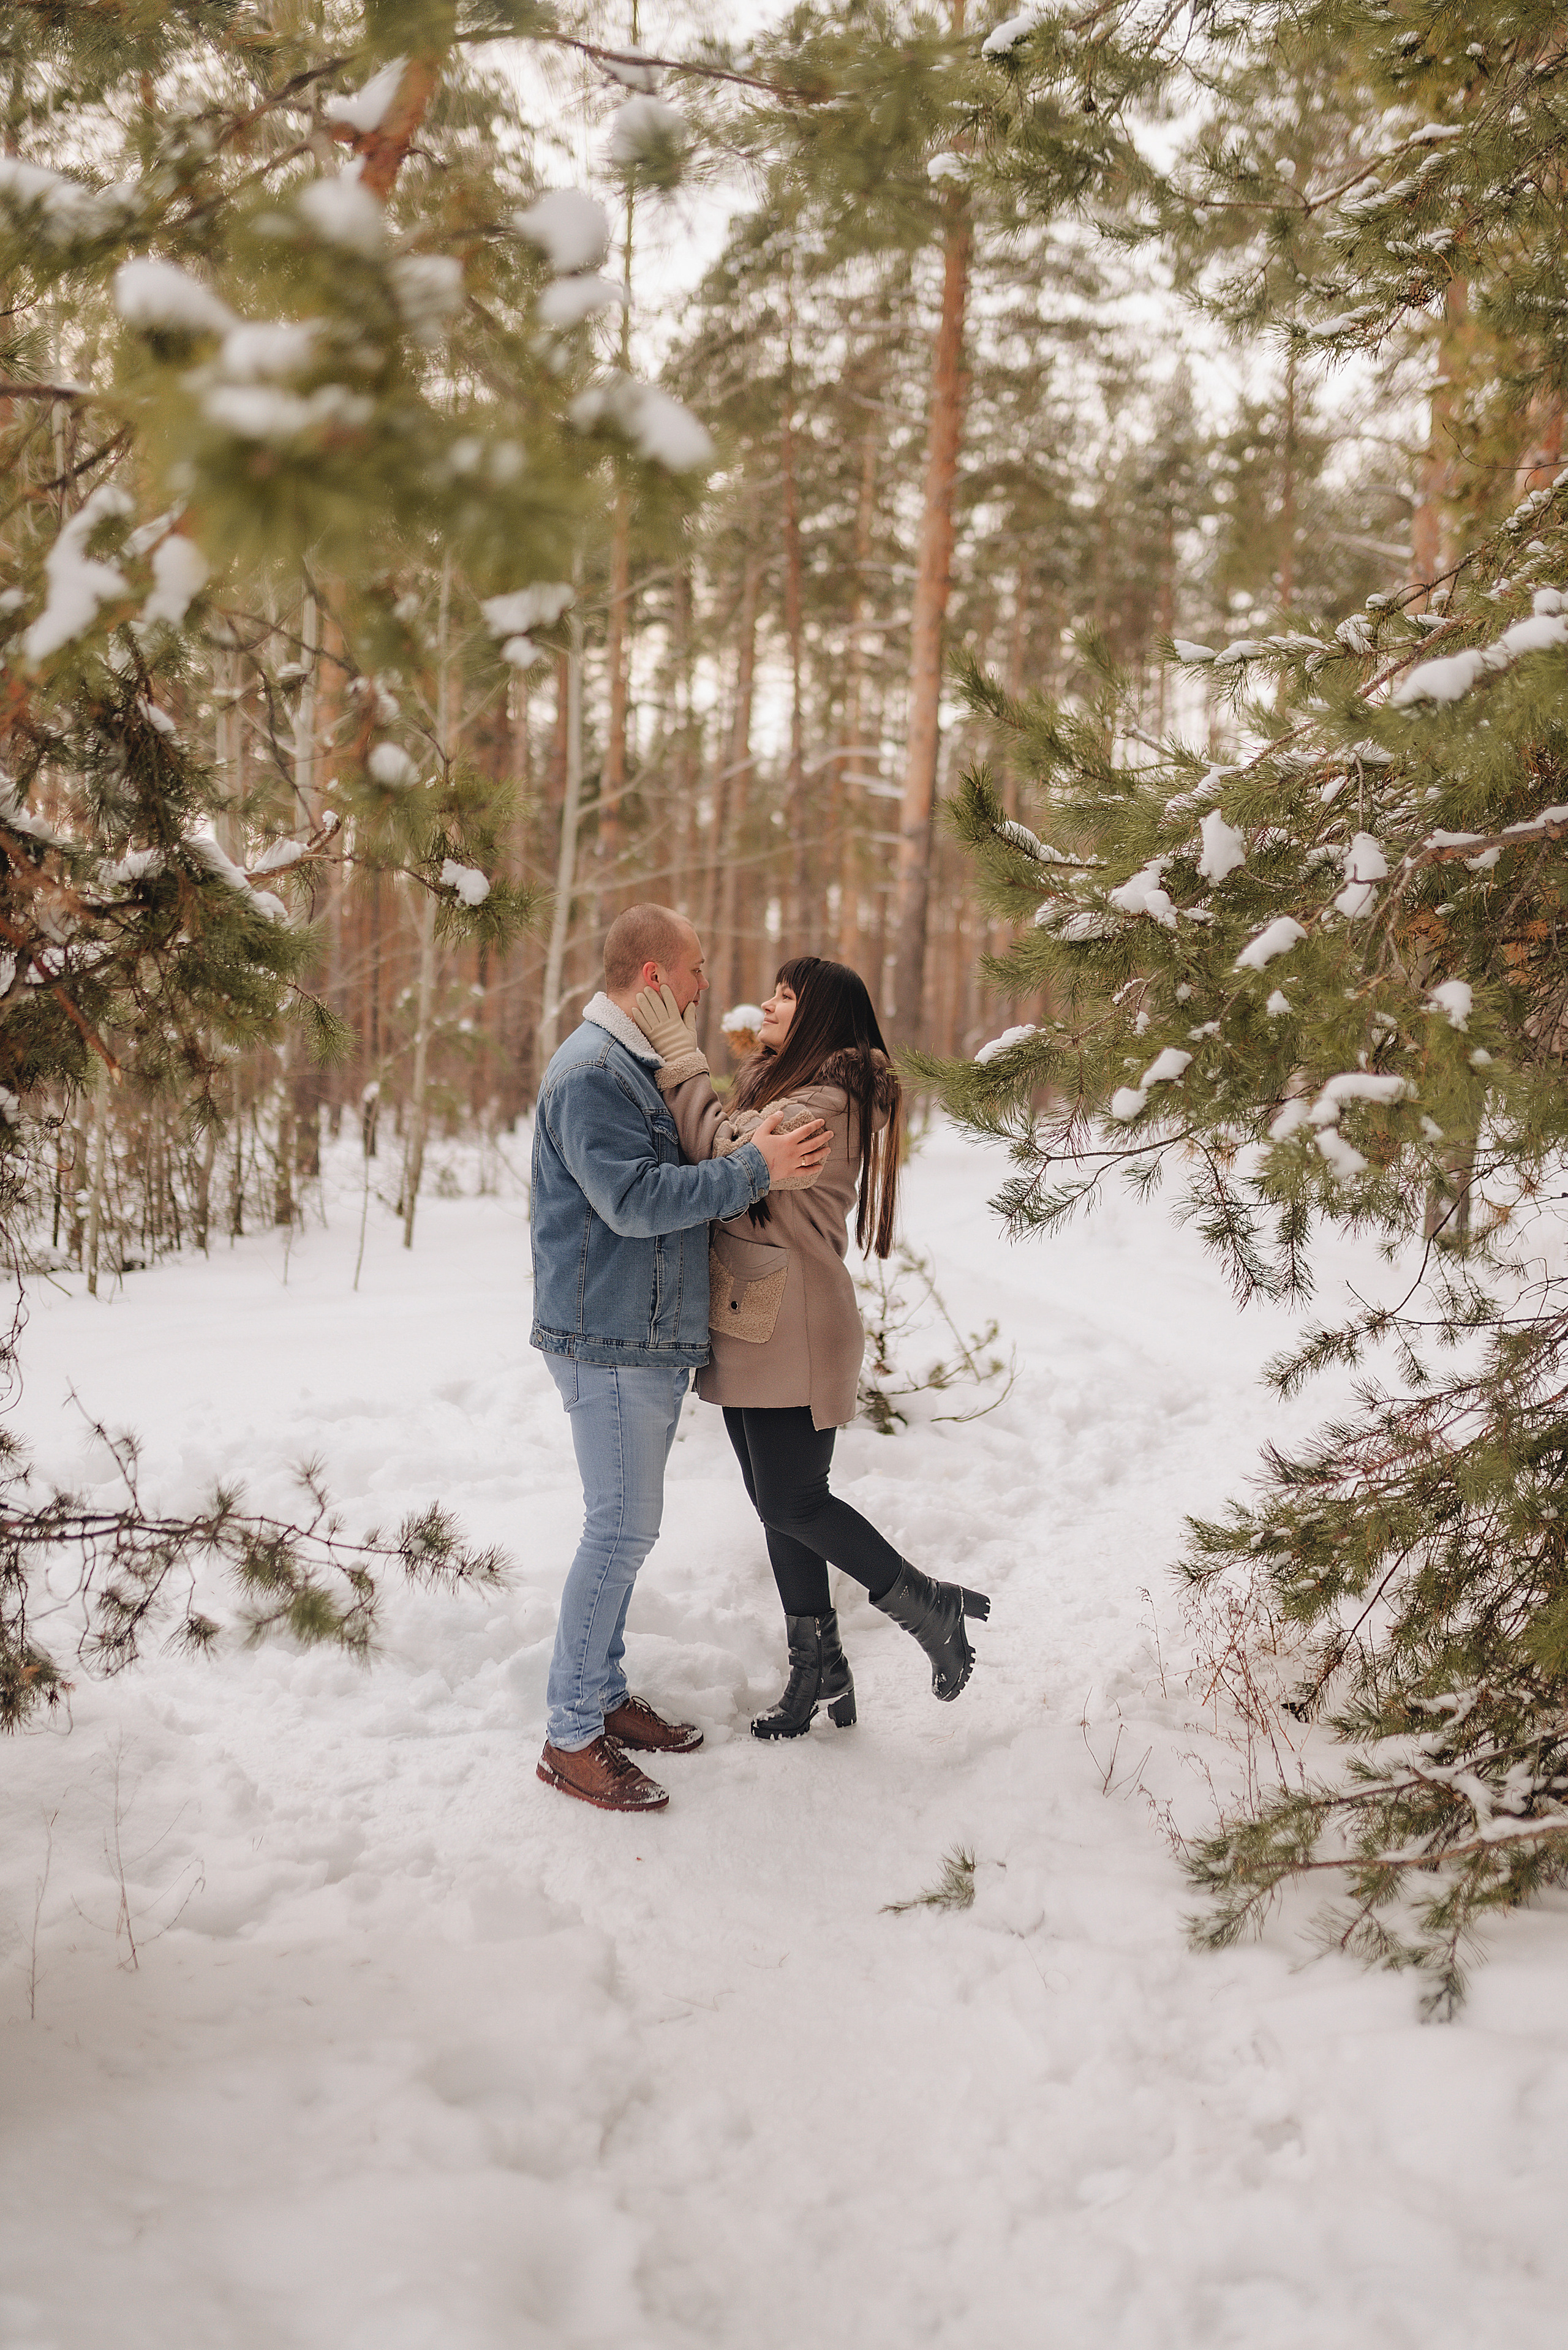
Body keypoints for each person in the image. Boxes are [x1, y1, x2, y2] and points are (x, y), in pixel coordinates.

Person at [631, 955, 990, 1739]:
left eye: (784, 998)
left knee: (795, 1501)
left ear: (821, 1016)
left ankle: (927, 1605)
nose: (764, 1004)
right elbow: (732, 1135)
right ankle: (818, 1669)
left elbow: (723, 1156)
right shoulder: (783, 1090)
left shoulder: (828, 1105)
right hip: (754, 1313)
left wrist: (686, 1063)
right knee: (776, 1506)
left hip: (794, 1321)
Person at [531, 905, 831, 1812]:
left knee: (626, 1529)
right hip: (608, 1339)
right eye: (696, 967)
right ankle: (571, 1734)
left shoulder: (635, 1065)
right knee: (617, 1530)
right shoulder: (592, 1074)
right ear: (656, 977)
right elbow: (630, 1200)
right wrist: (757, 1171)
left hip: (642, 1336)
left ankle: (603, 1693)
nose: (709, 984)